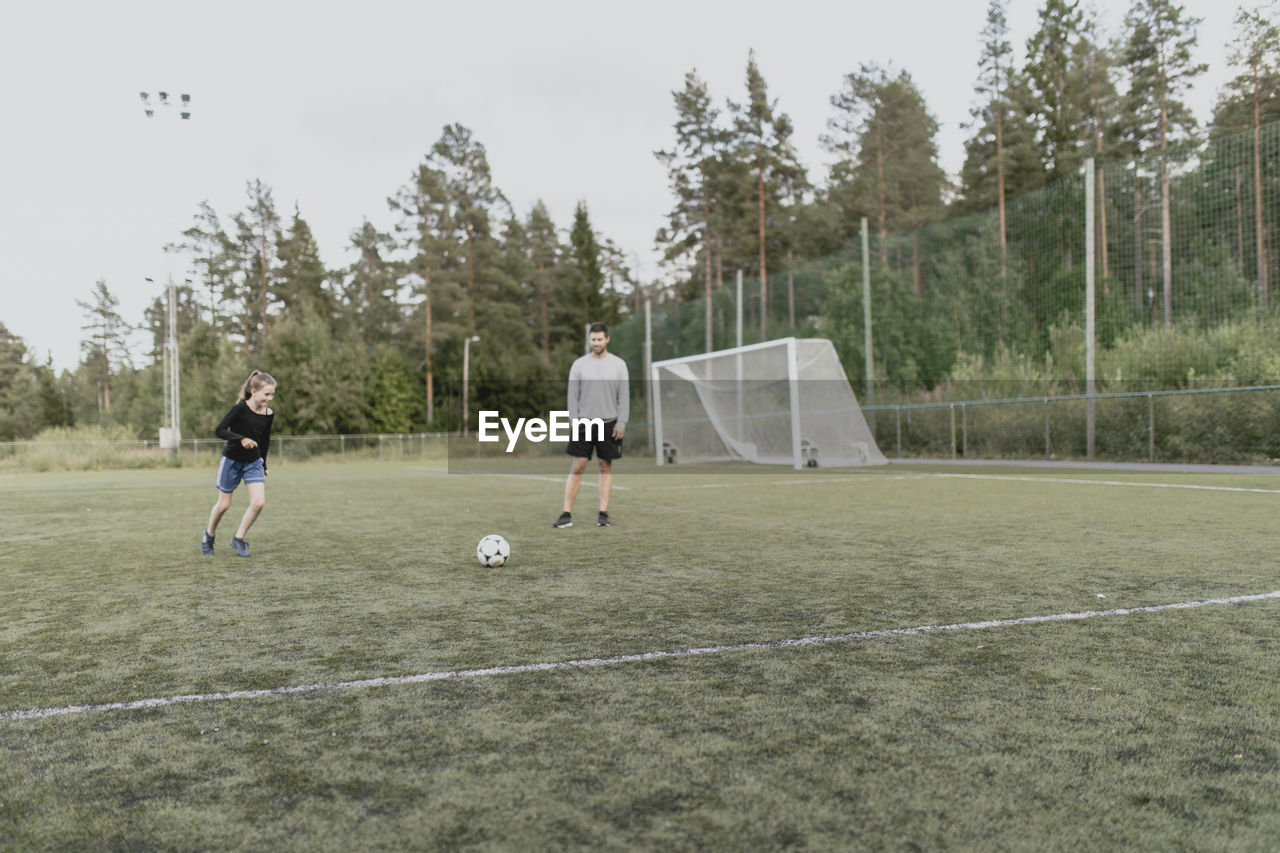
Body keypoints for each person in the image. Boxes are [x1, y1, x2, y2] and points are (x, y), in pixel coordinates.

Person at [554, 323, 629, 528]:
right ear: (590, 340)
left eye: (599, 339)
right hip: (583, 423)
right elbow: (573, 397)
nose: (596, 343)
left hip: (609, 423)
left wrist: (621, 422)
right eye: (593, 339)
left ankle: (603, 513)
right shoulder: (579, 365)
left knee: (605, 466)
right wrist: (574, 422)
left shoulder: (619, 365)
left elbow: (624, 396)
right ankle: (566, 513)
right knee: (578, 465)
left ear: (607, 339)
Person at [202, 371, 276, 557]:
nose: (270, 398)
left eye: (272, 394)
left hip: (253, 462)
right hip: (232, 461)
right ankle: (209, 535)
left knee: (258, 503)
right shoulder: (240, 409)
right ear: (253, 391)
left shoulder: (268, 413)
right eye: (267, 394)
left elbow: (265, 439)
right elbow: (219, 430)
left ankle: (238, 538)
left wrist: (264, 464)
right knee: (223, 506)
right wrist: (241, 439)